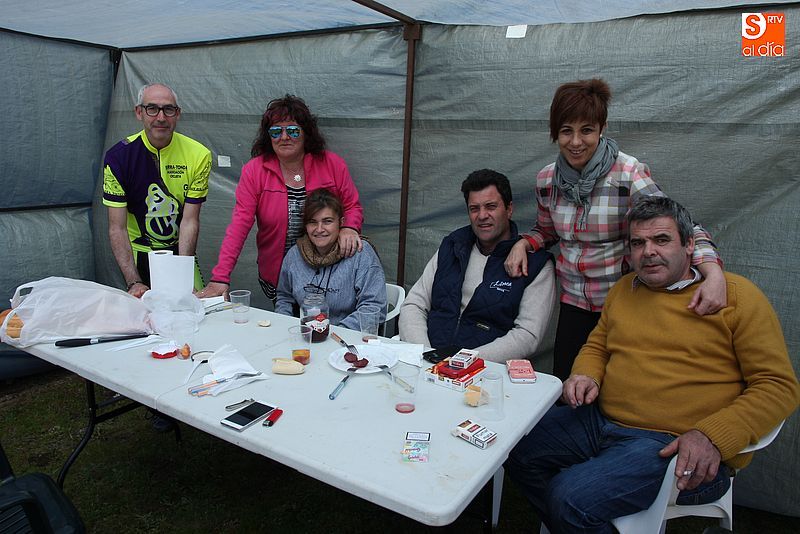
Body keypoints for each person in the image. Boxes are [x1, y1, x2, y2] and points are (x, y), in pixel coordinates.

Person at [506, 196, 800, 534]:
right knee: (512, 447)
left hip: (674, 444)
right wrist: (586, 373)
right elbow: (598, 345)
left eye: (661, 240)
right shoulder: (623, 290)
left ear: (689, 244)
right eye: (638, 243)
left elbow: (778, 386)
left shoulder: (737, 297)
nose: (648, 251)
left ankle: (575, 514)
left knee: (569, 497)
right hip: (601, 421)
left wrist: (711, 436)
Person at [504, 79, 727, 380]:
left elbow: (682, 228)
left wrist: (713, 273)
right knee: (569, 383)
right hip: (573, 302)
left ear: (602, 128)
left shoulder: (627, 174)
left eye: (586, 130)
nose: (576, 142)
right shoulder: (547, 180)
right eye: (566, 131)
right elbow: (546, 231)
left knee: (618, 383)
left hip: (624, 300)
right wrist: (523, 244)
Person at [198, 95, 363, 304]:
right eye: (276, 131)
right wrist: (220, 277)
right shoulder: (254, 171)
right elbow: (239, 225)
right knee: (286, 319)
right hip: (279, 275)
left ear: (306, 133)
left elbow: (352, 206)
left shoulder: (332, 164)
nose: (284, 137)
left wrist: (350, 227)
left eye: (293, 130)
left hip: (329, 270)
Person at [399, 169, 557, 363]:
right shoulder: (453, 245)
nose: (482, 215)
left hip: (486, 371)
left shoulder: (536, 264)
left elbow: (527, 336)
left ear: (509, 209)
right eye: (474, 208)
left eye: (491, 206)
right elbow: (414, 304)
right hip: (427, 360)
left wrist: (462, 362)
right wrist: (423, 352)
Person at [103, 83, 211, 297]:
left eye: (168, 109)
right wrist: (134, 281)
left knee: (193, 304)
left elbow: (190, 221)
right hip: (139, 252)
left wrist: (183, 275)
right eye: (152, 108)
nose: (161, 117)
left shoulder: (199, 155)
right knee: (144, 313)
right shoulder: (118, 157)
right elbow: (117, 228)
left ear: (177, 114)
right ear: (139, 112)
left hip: (178, 250)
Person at [275, 189, 386, 328]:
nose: (319, 229)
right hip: (305, 334)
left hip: (347, 336)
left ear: (341, 222)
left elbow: (374, 307)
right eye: (312, 222)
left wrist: (338, 332)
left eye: (327, 221)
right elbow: (284, 298)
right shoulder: (294, 255)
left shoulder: (360, 253)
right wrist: (284, 327)